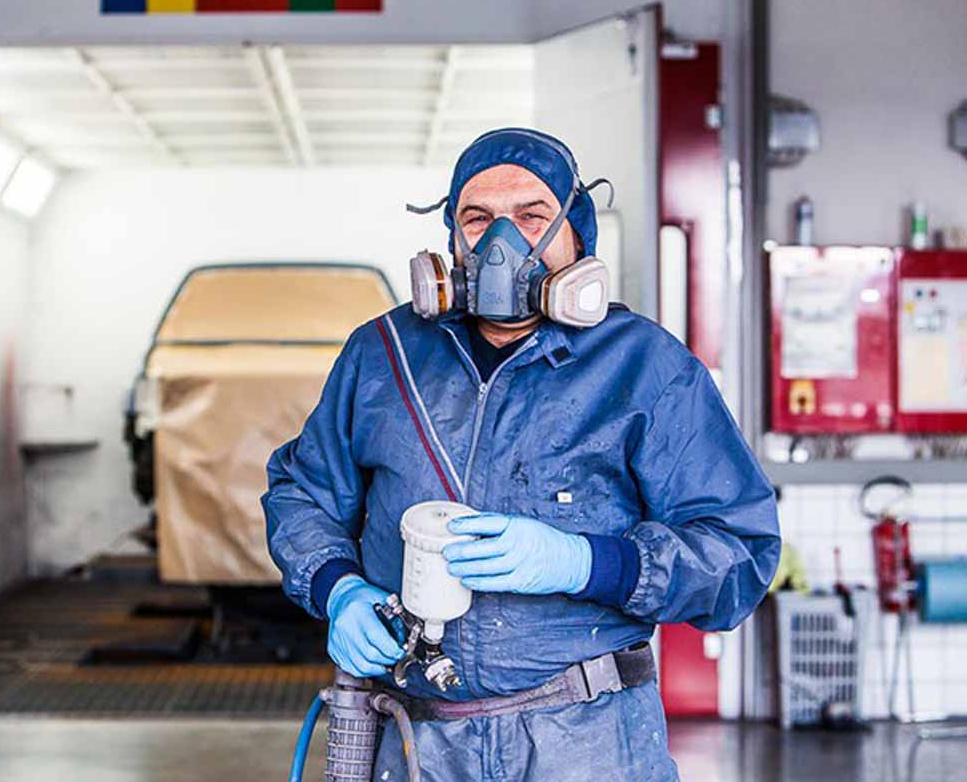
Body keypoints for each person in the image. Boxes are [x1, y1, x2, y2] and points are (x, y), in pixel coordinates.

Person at [262, 127, 780, 781]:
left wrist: (589, 563)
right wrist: (340, 590)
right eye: (478, 218)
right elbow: (304, 492)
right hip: (421, 741)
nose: (502, 241)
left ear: (576, 236)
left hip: (586, 740)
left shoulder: (644, 367)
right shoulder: (384, 354)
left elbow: (738, 551)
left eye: (532, 215)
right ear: (451, 239)